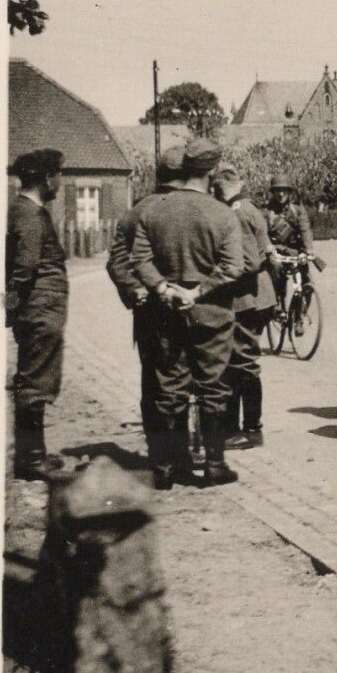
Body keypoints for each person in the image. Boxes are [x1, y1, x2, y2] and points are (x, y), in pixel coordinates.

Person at [129, 138, 248, 488]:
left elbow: (139, 260)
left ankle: (165, 470)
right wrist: (198, 291)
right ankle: (213, 466)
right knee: (213, 387)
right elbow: (233, 267)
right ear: (211, 171)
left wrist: (164, 289)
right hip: (211, 315)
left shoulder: (153, 210)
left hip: (165, 313)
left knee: (169, 387)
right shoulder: (223, 214)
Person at [108, 145, 185, 447]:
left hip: (148, 310)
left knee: (152, 380)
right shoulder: (195, 207)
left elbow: (115, 259)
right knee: (181, 379)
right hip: (186, 305)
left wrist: (134, 288)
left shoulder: (136, 211)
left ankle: (159, 454)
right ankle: (179, 452)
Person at [5, 148, 69, 480]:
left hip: (41, 310)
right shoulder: (29, 215)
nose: (60, 181)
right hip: (39, 311)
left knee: (36, 379)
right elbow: (25, 269)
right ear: (47, 178)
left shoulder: (28, 211)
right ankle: (30, 459)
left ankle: (35, 453)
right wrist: (12, 310)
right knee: (34, 381)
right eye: (58, 174)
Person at [213, 159, 275, 449]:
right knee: (238, 362)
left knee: (243, 363)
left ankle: (250, 429)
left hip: (247, 298)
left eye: (215, 189)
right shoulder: (246, 208)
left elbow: (249, 261)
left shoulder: (237, 213)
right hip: (251, 296)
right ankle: (236, 427)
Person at [263, 173, 321, 316]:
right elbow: (261, 234)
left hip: (294, 252)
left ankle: (299, 315)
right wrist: (269, 249)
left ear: (289, 192)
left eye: (284, 190)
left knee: (307, 283)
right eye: (277, 190)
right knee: (276, 270)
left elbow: (305, 230)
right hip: (276, 252)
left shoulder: (298, 211)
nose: (281, 194)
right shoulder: (266, 212)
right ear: (273, 192)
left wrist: (309, 249)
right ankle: (277, 303)